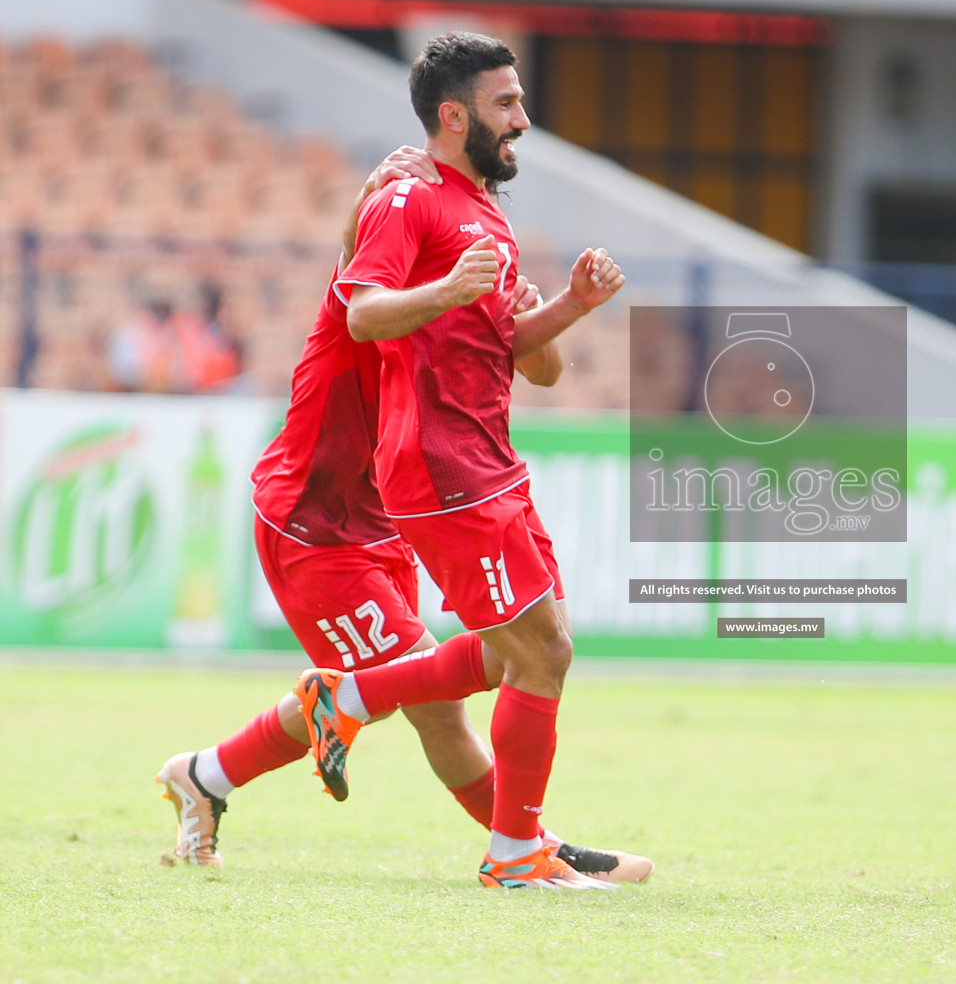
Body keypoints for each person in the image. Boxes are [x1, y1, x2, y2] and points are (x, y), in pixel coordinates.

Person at [156, 147, 651, 885]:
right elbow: (362, 280)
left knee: (484, 664)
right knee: (442, 698)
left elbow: (533, 362)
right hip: (315, 524)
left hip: (387, 512)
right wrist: (383, 211)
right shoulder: (384, 286)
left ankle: (208, 775)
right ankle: (527, 847)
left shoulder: (453, 288)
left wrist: (553, 306)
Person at [297, 31, 630, 891]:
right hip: (439, 466)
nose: (523, 118)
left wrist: (571, 306)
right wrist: (447, 289)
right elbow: (363, 315)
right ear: (455, 116)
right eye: (505, 104)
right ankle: (516, 853)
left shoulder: (486, 213)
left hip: (489, 459)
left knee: (526, 646)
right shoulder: (410, 199)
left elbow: (523, 356)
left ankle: (355, 700)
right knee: (541, 652)